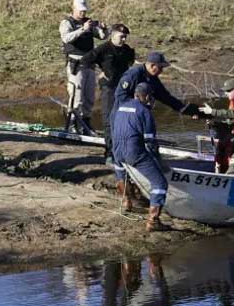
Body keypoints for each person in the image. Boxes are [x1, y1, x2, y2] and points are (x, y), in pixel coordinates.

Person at [111, 51, 199, 184]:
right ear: (152, 65)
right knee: (122, 146)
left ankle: (139, 174)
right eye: (161, 67)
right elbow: (120, 96)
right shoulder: (133, 74)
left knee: (138, 146)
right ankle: (123, 179)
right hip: (123, 116)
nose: (162, 71)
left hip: (138, 115)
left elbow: (165, 97)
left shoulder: (153, 79)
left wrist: (185, 110)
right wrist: (136, 109)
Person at [112, 83, 170, 232]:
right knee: (160, 183)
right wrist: (159, 162)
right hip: (133, 152)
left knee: (121, 173)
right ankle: (153, 221)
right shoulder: (145, 111)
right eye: (150, 97)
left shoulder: (121, 107)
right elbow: (150, 142)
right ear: (146, 96)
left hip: (116, 150)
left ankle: (126, 203)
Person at [80, 23, 135, 162]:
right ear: (113, 34)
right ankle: (110, 152)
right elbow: (85, 60)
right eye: (121, 36)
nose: (124, 39)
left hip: (123, 88)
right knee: (109, 120)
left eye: (125, 37)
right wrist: (99, 72)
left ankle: (124, 149)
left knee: (124, 119)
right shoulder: (103, 49)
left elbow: (130, 64)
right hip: (109, 88)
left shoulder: (127, 50)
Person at [59, 0, 108, 133]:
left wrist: (104, 29)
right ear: (73, 8)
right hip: (76, 65)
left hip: (89, 65)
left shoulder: (89, 22)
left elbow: (102, 36)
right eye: (80, 10)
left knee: (89, 97)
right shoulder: (67, 23)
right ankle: (73, 123)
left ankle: (86, 122)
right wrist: (83, 29)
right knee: (77, 96)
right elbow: (66, 38)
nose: (83, 13)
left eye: (84, 11)